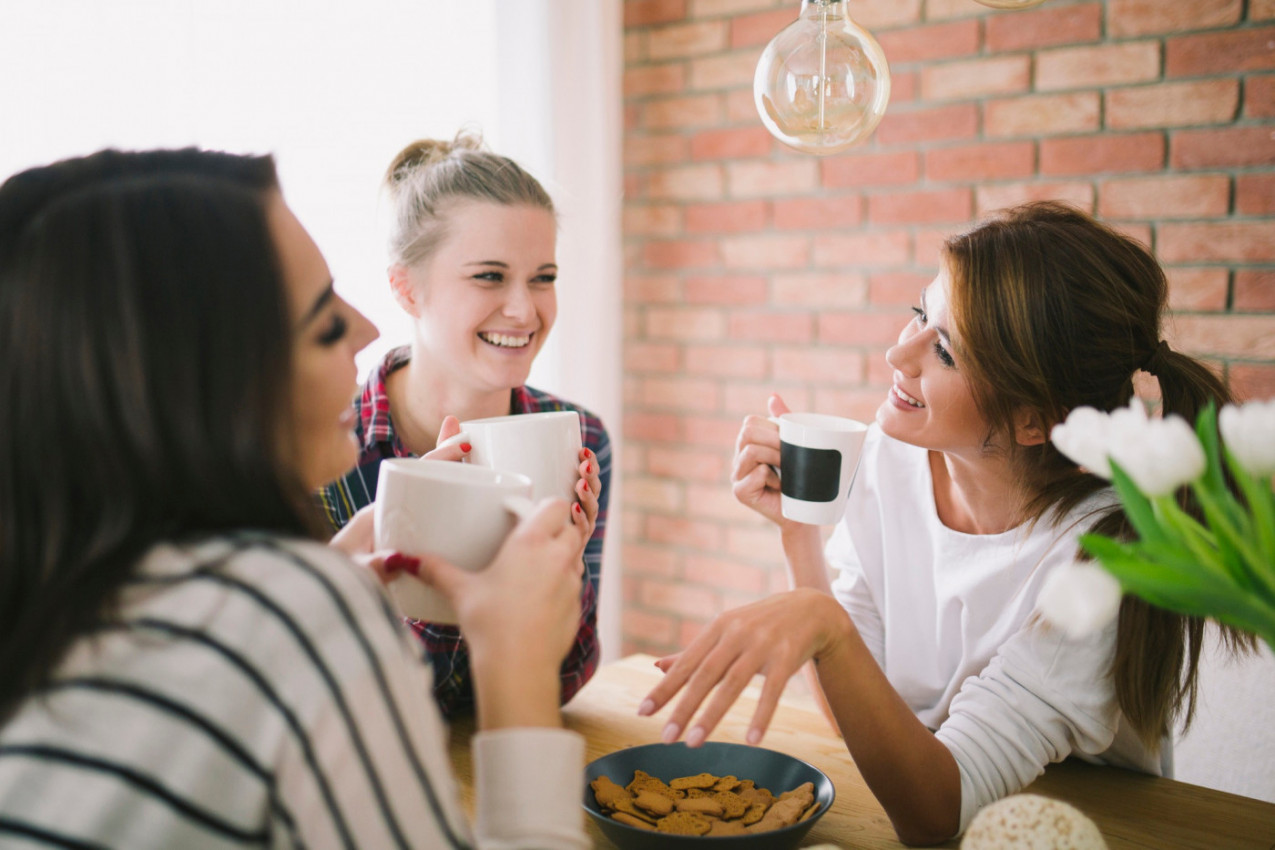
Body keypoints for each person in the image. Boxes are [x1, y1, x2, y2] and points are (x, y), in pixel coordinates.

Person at [0, 148, 589, 848]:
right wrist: (512, 661)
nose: (366, 332)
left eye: (542, 276)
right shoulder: (290, 610)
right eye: (320, 318)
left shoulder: (51, 589)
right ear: (205, 379)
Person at [637, 202, 1254, 845]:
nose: (898, 353)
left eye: (948, 352)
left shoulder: (1105, 562)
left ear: (1035, 419)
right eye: (919, 314)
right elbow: (857, 714)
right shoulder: (888, 460)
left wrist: (819, 622)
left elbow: (937, 815)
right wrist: (801, 532)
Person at [319, 132, 611, 718]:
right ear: (406, 287)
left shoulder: (580, 436)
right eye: (488, 276)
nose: (525, 310)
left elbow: (566, 680)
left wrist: (558, 588)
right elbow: (311, 693)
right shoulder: (321, 446)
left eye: (543, 277)